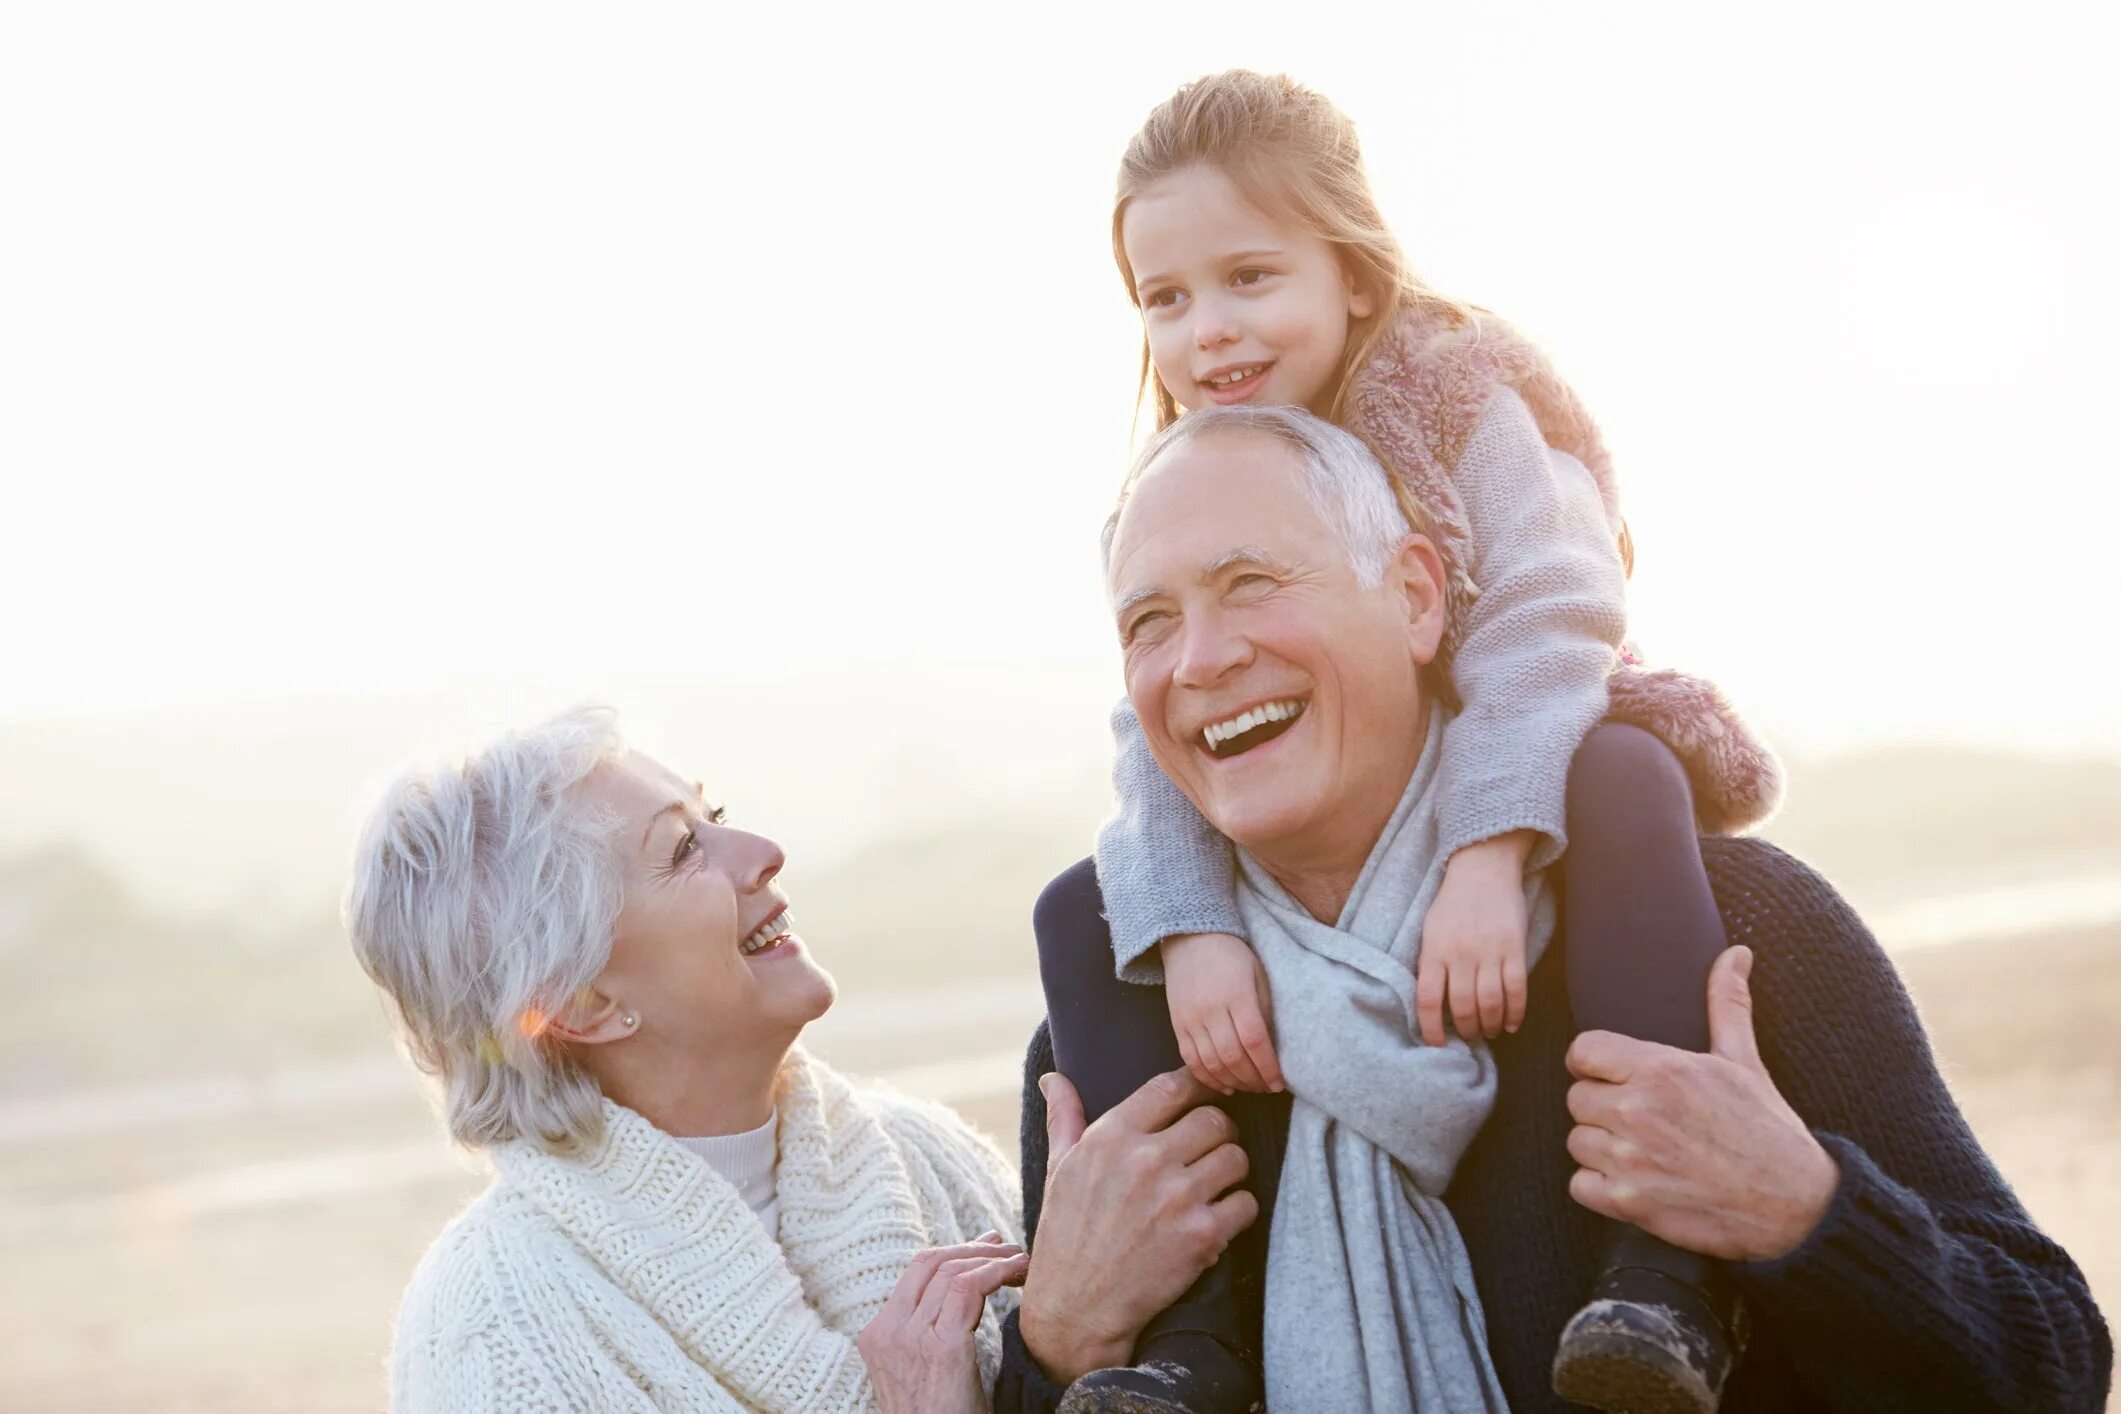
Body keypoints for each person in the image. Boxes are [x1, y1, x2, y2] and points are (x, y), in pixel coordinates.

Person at [995, 409, 2111, 1412]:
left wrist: (1804, 1213)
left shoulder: (1725, 929)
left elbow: (2054, 1366)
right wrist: (1051, 1346)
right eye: (1148, 620)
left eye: (1251, 584)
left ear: (1419, 596)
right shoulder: (1123, 1042)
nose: (1202, 657)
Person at [1040, 70, 1779, 1411]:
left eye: (1249, 276)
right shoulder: (1177, 479)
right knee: (1084, 910)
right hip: (1324, 835)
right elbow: (1156, 722)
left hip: (1528, 737)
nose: (1207, 331)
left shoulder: (1453, 389)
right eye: (1164, 298)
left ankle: (1669, 1269)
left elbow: (1554, 609)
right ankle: (1187, 1342)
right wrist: (1194, 925)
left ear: (1355, 272)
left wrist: (1489, 851)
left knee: (1624, 771)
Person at [344, 706, 1028, 1413]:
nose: (762, 850)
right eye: (681, 850)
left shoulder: (932, 1159)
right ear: (583, 1004)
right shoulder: (488, 1330)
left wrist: (1073, 1338)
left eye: (717, 814)